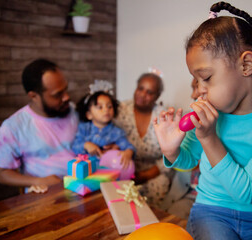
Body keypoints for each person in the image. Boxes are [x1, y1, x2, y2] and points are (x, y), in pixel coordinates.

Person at [153, 2, 252, 240]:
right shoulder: (211, 113)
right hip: (209, 211)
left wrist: (210, 138)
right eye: (196, 81)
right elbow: (187, 159)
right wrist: (171, 151)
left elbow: (247, 193)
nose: (200, 91)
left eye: (206, 78)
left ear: (246, 65)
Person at [0, 59, 78, 192]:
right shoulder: (13, 127)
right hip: (45, 194)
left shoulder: (74, 111)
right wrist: (39, 181)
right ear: (34, 96)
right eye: (58, 95)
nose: (66, 97)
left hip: (84, 186)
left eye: (65, 90)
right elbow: (0, 173)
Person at [113, 71, 173, 207]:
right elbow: (108, 134)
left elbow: (171, 153)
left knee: (158, 188)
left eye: (149, 92)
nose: (142, 95)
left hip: (153, 173)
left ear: (157, 96)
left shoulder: (163, 116)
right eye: (140, 88)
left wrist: (145, 175)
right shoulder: (120, 110)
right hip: (123, 168)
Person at [160, 78, 201, 219]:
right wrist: (171, 151)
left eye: (197, 87)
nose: (194, 95)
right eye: (193, 88)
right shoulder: (192, 118)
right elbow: (185, 162)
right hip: (186, 191)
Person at [71, 89, 135, 168]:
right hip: (87, 170)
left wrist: (129, 152)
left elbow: (127, 145)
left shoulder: (116, 132)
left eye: (109, 106)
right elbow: (75, 146)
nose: (106, 110)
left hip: (109, 170)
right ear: (89, 115)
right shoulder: (84, 129)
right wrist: (86, 145)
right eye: (100, 107)